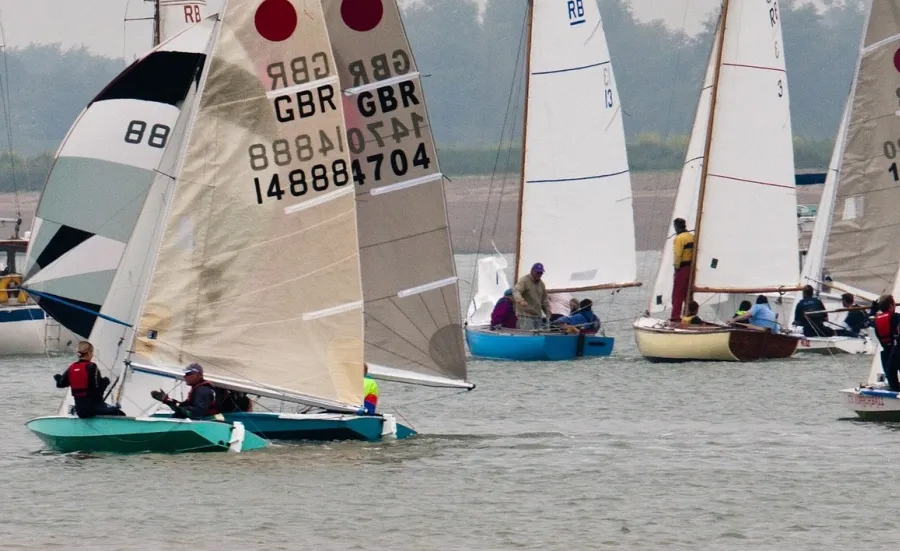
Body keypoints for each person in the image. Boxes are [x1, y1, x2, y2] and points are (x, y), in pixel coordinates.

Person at [54, 341, 125, 418]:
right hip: (93, 408)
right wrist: (105, 382)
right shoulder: (92, 367)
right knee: (119, 413)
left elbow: (60, 384)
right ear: (89, 353)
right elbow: (98, 392)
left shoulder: (72, 367)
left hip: (80, 410)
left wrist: (58, 378)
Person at [150, 363, 217, 419]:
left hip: (206, 423)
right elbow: (183, 405)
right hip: (200, 421)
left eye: (188, 374)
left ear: (196, 375)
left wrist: (181, 408)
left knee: (178, 415)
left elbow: (198, 412)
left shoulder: (202, 390)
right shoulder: (197, 389)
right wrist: (167, 400)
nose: (184, 376)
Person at [872, 294, 900, 391]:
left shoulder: (876, 321)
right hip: (897, 354)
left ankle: (894, 389)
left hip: (887, 357)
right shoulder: (896, 317)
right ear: (891, 306)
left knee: (893, 383)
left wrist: (873, 310)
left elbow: (869, 319)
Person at [513, 262, 550, 330]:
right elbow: (516, 291)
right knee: (528, 334)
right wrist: (521, 300)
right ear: (532, 271)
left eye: (541, 273)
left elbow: (545, 300)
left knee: (540, 334)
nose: (539, 274)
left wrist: (548, 311)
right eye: (537, 272)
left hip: (537, 316)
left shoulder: (542, 284)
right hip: (525, 315)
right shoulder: (524, 280)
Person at [670, 218, 694, 321]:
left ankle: (675, 317)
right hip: (691, 268)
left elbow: (678, 255)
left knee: (677, 294)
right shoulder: (691, 236)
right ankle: (688, 315)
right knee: (687, 293)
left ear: (676, 226)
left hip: (682, 268)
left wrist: (676, 268)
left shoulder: (679, 238)